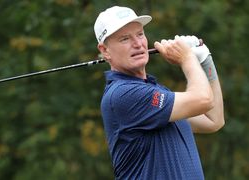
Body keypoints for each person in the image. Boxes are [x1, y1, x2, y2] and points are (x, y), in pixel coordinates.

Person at [94, 6, 225, 179]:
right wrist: (187, 59)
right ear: (105, 51)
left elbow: (213, 120)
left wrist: (205, 60)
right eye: (125, 39)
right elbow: (203, 100)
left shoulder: (157, 92)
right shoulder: (123, 94)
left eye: (140, 34)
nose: (137, 43)